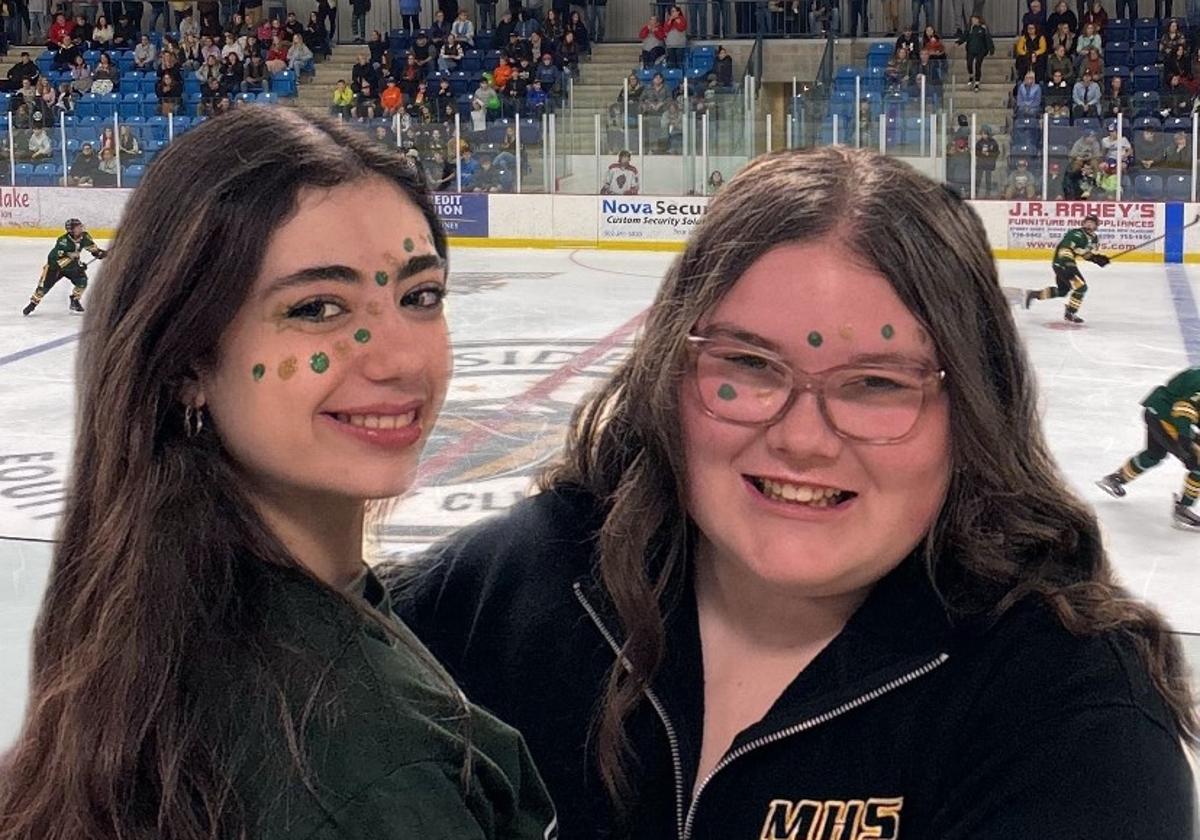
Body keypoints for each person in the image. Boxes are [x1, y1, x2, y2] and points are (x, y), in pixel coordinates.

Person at [393, 147, 1198, 840]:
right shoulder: (504, 591)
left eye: (877, 383)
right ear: (672, 374)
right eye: (747, 365)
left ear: (973, 408)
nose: (804, 438)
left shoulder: (1071, 718)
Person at [0, 107, 559, 840]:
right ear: (188, 361)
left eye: (419, 296)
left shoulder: (141, 611)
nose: (400, 358)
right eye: (317, 307)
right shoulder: (364, 776)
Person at [1098, 368, 1200, 530]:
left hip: (1157, 409)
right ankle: (1183, 510)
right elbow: (1184, 409)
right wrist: (1185, 442)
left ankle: (1116, 479)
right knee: (1197, 463)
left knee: (1155, 453)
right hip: (1167, 417)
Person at [1024, 213, 1109, 323]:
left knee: (1063, 291)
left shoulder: (1094, 239)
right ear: (1083, 223)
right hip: (1063, 264)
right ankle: (1070, 313)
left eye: (1092, 223)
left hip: (1064, 265)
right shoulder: (1076, 234)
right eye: (1087, 222)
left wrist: (1096, 259)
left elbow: (1083, 253)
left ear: (1096, 226)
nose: (1089, 225)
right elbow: (1065, 249)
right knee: (1081, 288)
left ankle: (1035, 294)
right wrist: (1069, 265)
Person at [21, 218, 108, 316]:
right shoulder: (63, 241)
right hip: (54, 267)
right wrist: (77, 266)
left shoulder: (85, 236)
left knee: (82, 281)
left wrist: (99, 253)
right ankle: (33, 304)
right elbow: (57, 260)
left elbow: (92, 248)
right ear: (71, 230)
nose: (81, 228)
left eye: (80, 226)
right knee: (43, 287)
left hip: (71, 266)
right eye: (77, 227)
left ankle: (75, 300)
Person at [956, 14, 993, 91]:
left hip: (981, 50)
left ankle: (977, 82)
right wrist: (958, 42)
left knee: (977, 65)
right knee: (969, 63)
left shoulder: (983, 28)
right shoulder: (970, 29)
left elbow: (988, 39)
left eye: (975, 19)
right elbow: (964, 37)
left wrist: (991, 49)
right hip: (970, 50)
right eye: (972, 20)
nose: (973, 21)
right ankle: (971, 75)